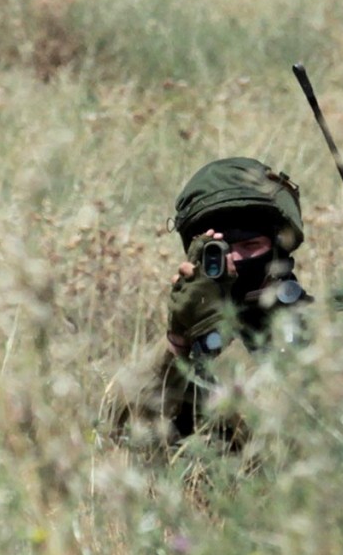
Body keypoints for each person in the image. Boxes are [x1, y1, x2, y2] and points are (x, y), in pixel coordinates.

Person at [103, 157, 314, 452]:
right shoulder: (193, 335)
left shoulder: (324, 329)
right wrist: (177, 342)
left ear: (280, 246)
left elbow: (286, 439)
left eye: (250, 246)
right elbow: (116, 430)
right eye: (220, 250)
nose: (235, 260)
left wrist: (218, 337)